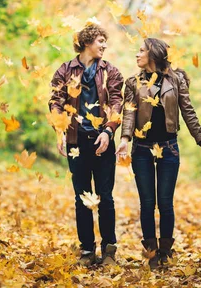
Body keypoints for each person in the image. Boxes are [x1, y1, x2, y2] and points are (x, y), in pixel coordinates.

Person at [116, 37, 201, 270]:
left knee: (165, 202)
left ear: (153, 54)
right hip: (141, 148)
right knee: (147, 203)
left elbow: (188, 111)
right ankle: (151, 253)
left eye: (141, 51)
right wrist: (124, 139)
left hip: (169, 147)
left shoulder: (177, 79)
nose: (137, 55)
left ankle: (165, 252)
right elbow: (129, 114)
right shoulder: (133, 82)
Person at [48, 23, 124, 266]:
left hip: (103, 141)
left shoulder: (111, 71)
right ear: (87, 42)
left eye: (105, 41)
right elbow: (55, 102)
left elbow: (116, 102)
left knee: (106, 197)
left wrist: (109, 131)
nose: (104, 45)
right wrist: (60, 129)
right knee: (82, 197)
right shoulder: (65, 70)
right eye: (100, 40)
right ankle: (87, 251)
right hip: (76, 141)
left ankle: (109, 251)